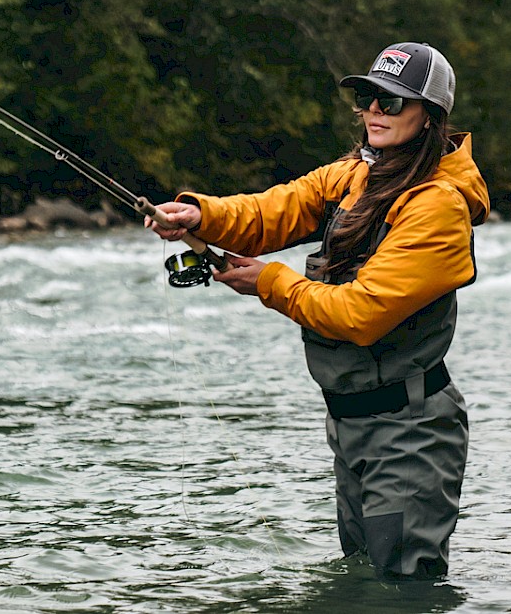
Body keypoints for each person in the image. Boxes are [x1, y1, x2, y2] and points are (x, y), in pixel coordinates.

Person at [146, 42, 487, 580]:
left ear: (430, 119)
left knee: (403, 591)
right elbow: (269, 212)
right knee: (360, 579)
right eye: (368, 96)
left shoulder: (438, 208)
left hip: (409, 432)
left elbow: (359, 314)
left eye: (393, 102)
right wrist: (198, 215)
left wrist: (269, 281)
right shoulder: (355, 175)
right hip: (351, 422)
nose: (375, 110)